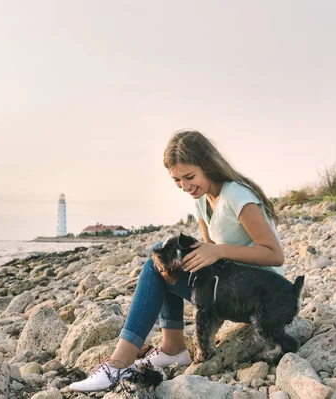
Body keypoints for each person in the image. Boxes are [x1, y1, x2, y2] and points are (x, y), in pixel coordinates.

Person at [69, 130, 285, 392]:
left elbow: (274, 254)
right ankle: (172, 348)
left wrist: (217, 251)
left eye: (189, 177)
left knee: (153, 266)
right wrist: (186, 258)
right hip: (230, 286)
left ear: (208, 165)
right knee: (160, 257)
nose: (185, 186)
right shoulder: (202, 199)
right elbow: (212, 250)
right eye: (177, 181)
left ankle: (119, 364)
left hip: (261, 296)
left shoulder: (237, 196)